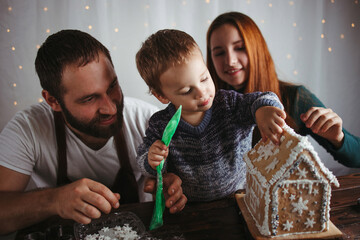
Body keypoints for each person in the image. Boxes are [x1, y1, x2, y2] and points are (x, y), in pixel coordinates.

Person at [0, 29, 187, 235]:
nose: (111, 108)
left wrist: (174, 186)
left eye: (112, 86)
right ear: (53, 100)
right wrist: (54, 200)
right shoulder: (28, 129)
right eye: (89, 98)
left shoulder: (148, 122)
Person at [135, 29, 286, 202]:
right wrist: (151, 159)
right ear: (161, 96)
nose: (202, 92)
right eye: (187, 90)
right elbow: (144, 163)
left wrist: (263, 110)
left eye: (204, 78)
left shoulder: (228, 104)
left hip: (241, 198)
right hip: (191, 207)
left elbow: (262, 98)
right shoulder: (161, 125)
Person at [206, 11, 360, 168]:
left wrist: (338, 138)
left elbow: (357, 157)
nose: (230, 61)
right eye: (219, 53)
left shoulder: (294, 98)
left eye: (239, 48)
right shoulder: (205, 107)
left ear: (257, 49)